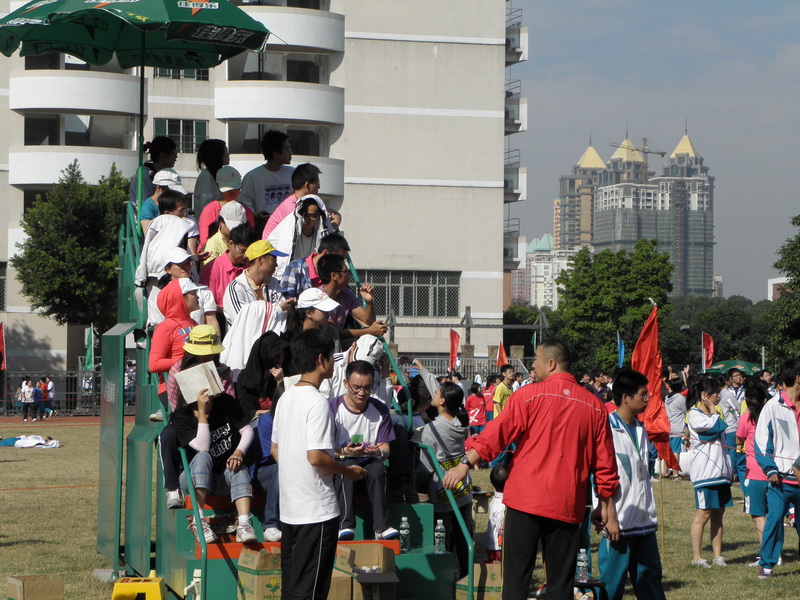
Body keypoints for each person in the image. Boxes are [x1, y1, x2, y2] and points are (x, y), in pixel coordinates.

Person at [442, 339, 619, 600]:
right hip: (567, 504)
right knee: (561, 583)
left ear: (551, 363)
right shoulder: (594, 406)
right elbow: (605, 464)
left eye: (536, 359)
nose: (532, 366)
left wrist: (465, 463)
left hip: (526, 501)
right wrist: (606, 505)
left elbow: (496, 434)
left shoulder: (529, 395)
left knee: (515, 579)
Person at [271, 329, 366, 600]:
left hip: (291, 509)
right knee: (310, 592)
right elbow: (315, 457)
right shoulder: (317, 402)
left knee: (292, 589)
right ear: (322, 359)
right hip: (316, 512)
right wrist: (347, 470)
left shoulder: (286, 396)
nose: (335, 364)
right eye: (332, 359)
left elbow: (277, 448)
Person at [170, 327, 257, 544]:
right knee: (202, 457)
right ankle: (198, 522)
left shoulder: (226, 402)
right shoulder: (181, 416)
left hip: (222, 476)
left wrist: (238, 451)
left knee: (238, 466)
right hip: (193, 477)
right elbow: (202, 447)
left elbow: (247, 430)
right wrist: (202, 415)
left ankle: (244, 523)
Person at [593, 369, 666, 600]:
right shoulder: (606, 428)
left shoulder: (640, 428)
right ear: (625, 397)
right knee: (611, 586)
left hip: (644, 522)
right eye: (643, 395)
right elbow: (603, 477)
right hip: (619, 523)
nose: (647, 399)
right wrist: (608, 515)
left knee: (651, 581)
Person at [331, 360, 398, 541]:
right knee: (347, 467)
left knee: (377, 469)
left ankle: (381, 527)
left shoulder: (380, 409)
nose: (362, 393)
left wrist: (375, 452)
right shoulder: (332, 408)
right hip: (342, 461)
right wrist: (344, 451)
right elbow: (325, 449)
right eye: (356, 387)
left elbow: (385, 448)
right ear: (346, 384)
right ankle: (345, 525)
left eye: (367, 388)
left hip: (370, 461)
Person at [420, 381, 473, 577]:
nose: (432, 394)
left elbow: (425, 466)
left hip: (443, 488)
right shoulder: (460, 422)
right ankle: (468, 578)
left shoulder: (431, 430)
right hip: (464, 488)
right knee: (465, 538)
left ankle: (445, 578)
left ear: (442, 401)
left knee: (443, 541)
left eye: (436, 392)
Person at [754, 358, 800, 579]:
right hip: (780, 480)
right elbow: (762, 443)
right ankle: (767, 564)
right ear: (798, 378)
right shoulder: (772, 406)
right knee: (774, 522)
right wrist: (770, 469)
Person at [687, 376, 732, 568]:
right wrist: (714, 411)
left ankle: (717, 556)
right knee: (703, 515)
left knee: (718, 515)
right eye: (716, 395)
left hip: (721, 474)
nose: (719, 398)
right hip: (705, 474)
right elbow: (718, 426)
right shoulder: (695, 414)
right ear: (705, 396)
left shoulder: (713, 414)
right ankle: (697, 557)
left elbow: (720, 428)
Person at [148, 278, 204, 421]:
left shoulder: (194, 323)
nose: (198, 296)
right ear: (180, 298)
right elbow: (154, 364)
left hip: (197, 385)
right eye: (193, 293)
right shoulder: (165, 327)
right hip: (174, 389)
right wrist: (182, 362)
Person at [135, 191, 201, 295]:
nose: (185, 213)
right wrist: (141, 277)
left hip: (179, 279)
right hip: (157, 279)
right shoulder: (159, 223)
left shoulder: (187, 222)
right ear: (167, 214)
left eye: (186, 209)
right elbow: (146, 249)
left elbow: (189, 251)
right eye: (181, 210)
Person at [735, 380, 769, 567]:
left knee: (758, 515)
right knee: (773, 515)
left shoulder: (746, 419)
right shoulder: (772, 417)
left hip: (755, 474)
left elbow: (738, 439)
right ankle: (775, 553)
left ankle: (767, 555)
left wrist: (740, 445)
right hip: (774, 473)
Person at [222, 240, 289, 326]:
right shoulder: (236, 288)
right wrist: (278, 310)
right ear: (260, 260)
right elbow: (242, 322)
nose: (276, 265)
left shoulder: (274, 284)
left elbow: (283, 318)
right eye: (274, 260)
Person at [240, 130, 294, 232]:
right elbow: (244, 206)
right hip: (263, 230)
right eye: (287, 149)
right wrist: (255, 216)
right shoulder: (252, 177)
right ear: (276, 154)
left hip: (289, 227)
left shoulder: (293, 173)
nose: (291, 153)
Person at [266, 194, 332, 278]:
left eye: (313, 216)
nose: (308, 219)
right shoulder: (286, 229)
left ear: (320, 216)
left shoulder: (320, 233)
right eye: (305, 215)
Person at [200, 223, 256, 312]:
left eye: (249, 252)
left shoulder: (252, 266)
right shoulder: (211, 269)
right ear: (231, 243)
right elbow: (207, 304)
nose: (246, 256)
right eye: (242, 251)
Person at [280, 233, 350, 300]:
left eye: (342, 260)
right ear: (325, 253)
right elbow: (288, 301)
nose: (341, 263)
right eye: (337, 259)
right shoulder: (295, 268)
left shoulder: (335, 275)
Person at [263, 162, 322, 238]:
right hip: (273, 248)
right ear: (307, 185)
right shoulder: (291, 207)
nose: (318, 187)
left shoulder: (306, 202)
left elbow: (336, 215)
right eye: (317, 183)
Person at [130, 135, 177, 214]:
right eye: (174, 152)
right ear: (163, 154)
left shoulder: (160, 174)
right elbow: (145, 207)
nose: (176, 156)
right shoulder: (144, 176)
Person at [202, 200, 249, 265]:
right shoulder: (212, 244)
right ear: (221, 223)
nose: (236, 231)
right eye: (233, 227)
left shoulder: (248, 239)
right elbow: (211, 270)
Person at [720, 368, 745, 484]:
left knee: (731, 451)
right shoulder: (727, 393)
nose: (738, 378)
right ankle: (734, 473)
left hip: (731, 424)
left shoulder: (743, 390)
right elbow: (738, 408)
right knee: (733, 451)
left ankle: (732, 472)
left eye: (739, 375)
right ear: (728, 380)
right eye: (735, 376)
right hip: (732, 425)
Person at [193, 138, 229, 216]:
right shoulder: (206, 176)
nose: (228, 154)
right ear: (217, 154)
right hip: (210, 224)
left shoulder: (218, 174)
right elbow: (207, 205)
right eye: (225, 151)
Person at [486, 463, 509, 563]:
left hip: (495, 546)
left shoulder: (496, 500)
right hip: (498, 547)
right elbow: (501, 526)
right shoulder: (502, 505)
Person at [665, 378, 688, 475]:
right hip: (678, 428)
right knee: (676, 451)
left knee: (668, 451)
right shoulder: (681, 398)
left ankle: (665, 472)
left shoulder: (667, 398)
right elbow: (686, 411)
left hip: (668, 426)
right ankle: (675, 473)